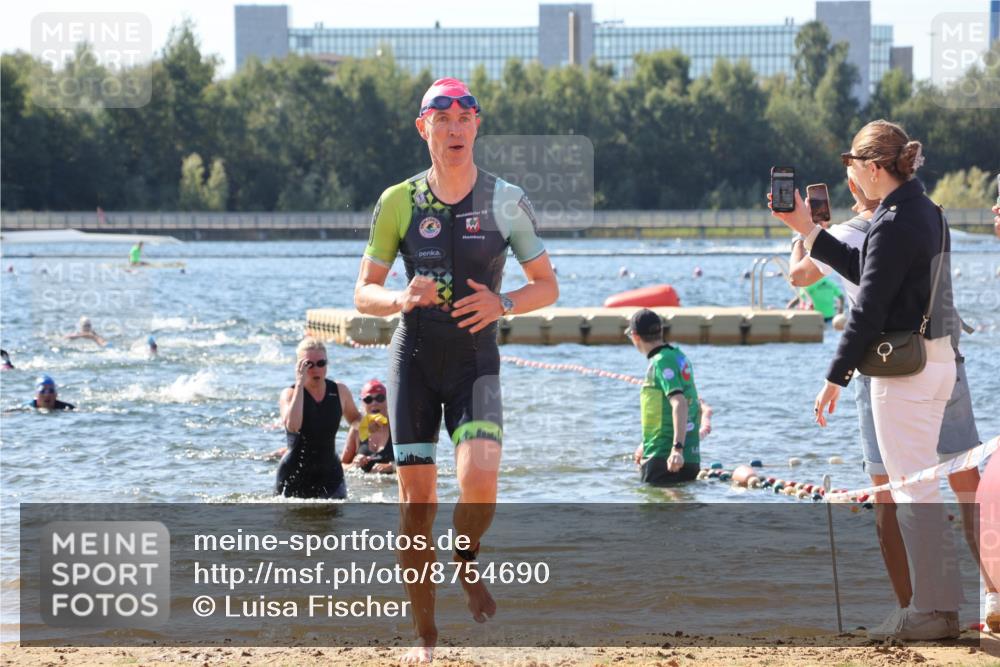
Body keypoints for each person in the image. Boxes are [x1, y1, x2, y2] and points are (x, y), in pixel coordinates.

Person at [354, 77, 558, 663]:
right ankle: (426, 634)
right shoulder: (398, 201)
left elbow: (548, 285)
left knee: (481, 478)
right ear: (424, 129)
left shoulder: (505, 199)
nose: (454, 128)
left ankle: (465, 559)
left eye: (464, 118)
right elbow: (363, 291)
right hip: (414, 356)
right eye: (441, 120)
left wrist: (506, 302)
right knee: (416, 506)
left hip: (476, 359)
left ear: (477, 126)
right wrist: (397, 299)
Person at [771, 119, 962, 641]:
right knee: (921, 488)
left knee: (911, 490)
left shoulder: (895, 219)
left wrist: (835, 377)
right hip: (936, 359)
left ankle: (931, 610)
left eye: (854, 166)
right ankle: (938, 607)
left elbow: (869, 307)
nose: (851, 177)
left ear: (874, 168)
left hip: (906, 371)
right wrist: (808, 231)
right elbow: (863, 266)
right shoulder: (922, 209)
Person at [789, 170, 996, 631]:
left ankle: (915, 607)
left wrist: (803, 230)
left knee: (891, 490)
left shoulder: (844, 232)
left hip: (888, 363)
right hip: (946, 356)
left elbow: (798, 276)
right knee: (966, 483)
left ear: (861, 183)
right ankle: (993, 594)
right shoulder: (928, 214)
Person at [275, 337, 361, 499]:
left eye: (321, 363)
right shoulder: (290, 394)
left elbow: (355, 420)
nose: (316, 369)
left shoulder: (339, 391)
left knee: (337, 522)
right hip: (294, 475)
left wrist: (372, 425)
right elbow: (293, 426)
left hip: (330, 474)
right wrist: (300, 384)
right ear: (299, 367)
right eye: (308, 365)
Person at [626, 309, 702, 485]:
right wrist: (646, 443)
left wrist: (676, 449)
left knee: (655, 507)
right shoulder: (679, 356)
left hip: (664, 456)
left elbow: (679, 403)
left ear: (635, 336)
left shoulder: (660, 361)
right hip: (690, 457)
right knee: (679, 505)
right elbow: (692, 404)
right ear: (660, 331)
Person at [342, 379, 395, 473]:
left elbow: (415, 463)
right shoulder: (356, 430)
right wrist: (353, 465)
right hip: (365, 485)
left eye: (380, 398)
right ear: (363, 404)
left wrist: (393, 467)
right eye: (368, 400)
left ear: (388, 401)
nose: (374, 403)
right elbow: (341, 466)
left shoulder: (396, 428)